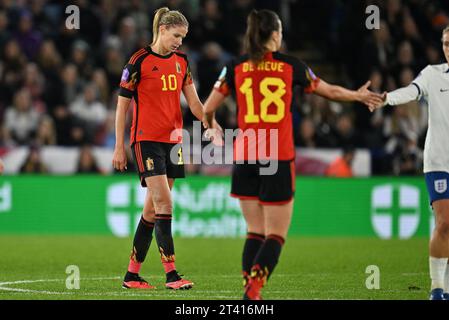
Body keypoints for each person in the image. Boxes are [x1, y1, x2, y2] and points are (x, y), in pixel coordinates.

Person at [203, 9, 382, 300]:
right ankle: (254, 289)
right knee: (275, 234)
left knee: (254, 231)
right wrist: (358, 95)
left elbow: (208, 108)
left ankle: (249, 286)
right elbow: (330, 91)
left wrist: (213, 127)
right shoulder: (291, 66)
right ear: (275, 35)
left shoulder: (234, 66)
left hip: (246, 155)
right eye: (281, 31)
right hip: (277, 155)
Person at [112, 7, 218, 290]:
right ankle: (172, 275)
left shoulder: (182, 62)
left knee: (151, 212)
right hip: (146, 140)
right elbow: (122, 107)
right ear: (162, 30)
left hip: (174, 143)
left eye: (183, 37)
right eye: (176, 35)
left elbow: (194, 103)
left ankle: (131, 275)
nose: (180, 42)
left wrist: (210, 121)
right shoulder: (138, 61)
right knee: (165, 204)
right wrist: (119, 147)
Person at [370, 25, 449, 300]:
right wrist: (387, 99)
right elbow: (411, 91)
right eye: (446, 43)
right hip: (439, 160)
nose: (448, 49)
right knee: (444, 222)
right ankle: (438, 288)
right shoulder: (432, 73)